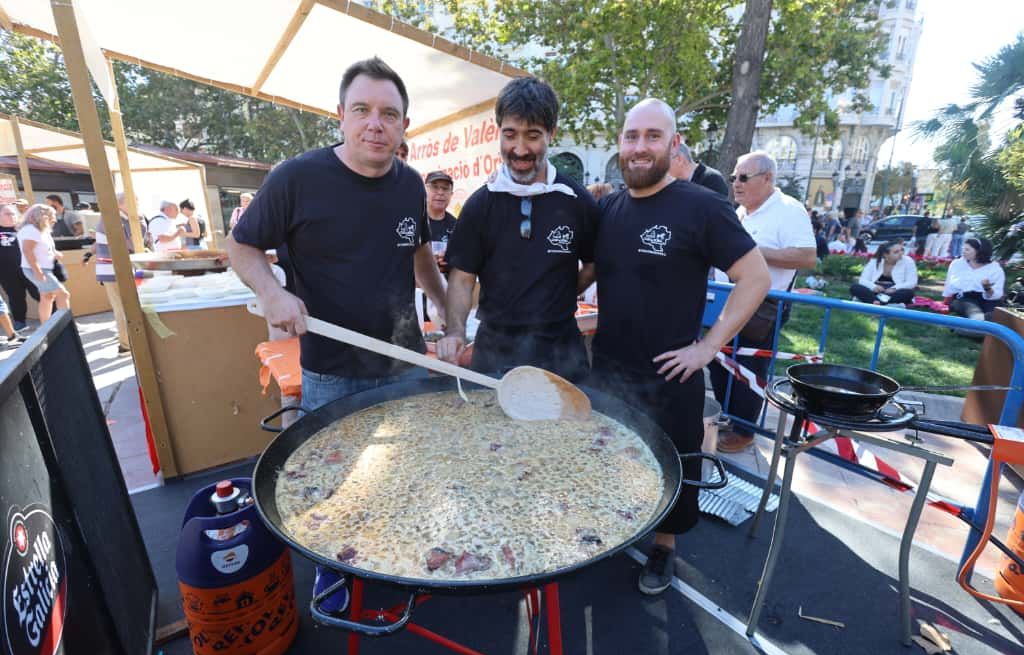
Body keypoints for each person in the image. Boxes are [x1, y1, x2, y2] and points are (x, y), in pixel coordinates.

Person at [226, 57, 447, 616]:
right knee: (332, 481)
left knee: (403, 469)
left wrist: (450, 314)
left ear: (403, 125)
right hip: (329, 368)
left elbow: (421, 258)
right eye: (363, 111)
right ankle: (333, 567)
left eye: (389, 114)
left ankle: (398, 554)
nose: (376, 124)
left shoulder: (410, 186)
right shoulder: (297, 178)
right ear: (341, 116)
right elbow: (241, 247)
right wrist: (273, 290)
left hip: (402, 361)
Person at [583, 98, 769, 594]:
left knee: (676, 467)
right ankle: (617, 528)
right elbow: (587, 274)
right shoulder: (609, 209)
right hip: (609, 370)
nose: (640, 147)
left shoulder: (701, 205)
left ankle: (664, 549)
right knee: (610, 459)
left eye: (652, 136)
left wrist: (707, 347)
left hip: (672, 374)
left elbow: (755, 277)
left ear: (673, 144)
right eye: (631, 136)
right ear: (620, 145)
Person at [437, 77, 598, 383]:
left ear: (552, 133)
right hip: (495, 349)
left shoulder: (577, 201)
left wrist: (558, 295)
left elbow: (592, 266)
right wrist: (456, 330)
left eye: (533, 135)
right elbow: (461, 278)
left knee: (569, 431)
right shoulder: (480, 205)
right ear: (499, 131)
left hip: (560, 349)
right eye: (510, 134)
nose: (520, 149)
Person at [710, 150, 816, 454]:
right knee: (722, 363)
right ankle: (730, 419)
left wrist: (751, 252)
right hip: (727, 299)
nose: (736, 184)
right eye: (733, 178)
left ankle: (745, 431)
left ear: (767, 179)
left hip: (764, 306)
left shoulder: (788, 209)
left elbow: (807, 257)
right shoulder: (742, 212)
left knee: (750, 366)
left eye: (744, 177)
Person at [90, 192, 134, 354]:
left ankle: (126, 341)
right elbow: (131, 243)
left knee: (122, 307)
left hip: (113, 269)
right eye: (134, 201)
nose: (137, 205)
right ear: (123, 203)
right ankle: (126, 344)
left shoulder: (113, 218)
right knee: (123, 308)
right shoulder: (115, 219)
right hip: (115, 269)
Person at [18, 203, 70, 324]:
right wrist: (37, 271)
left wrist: (55, 253)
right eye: (52, 215)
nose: (55, 219)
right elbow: (27, 251)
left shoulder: (40, 230)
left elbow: (41, 248)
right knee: (63, 295)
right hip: (37, 269)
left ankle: (46, 328)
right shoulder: (31, 230)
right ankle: (66, 326)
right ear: (42, 216)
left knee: (47, 297)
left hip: (41, 268)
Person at [943, 237, 1004, 321]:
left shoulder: (995, 268)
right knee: (975, 313)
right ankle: (979, 323)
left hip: (987, 300)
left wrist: (987, 288)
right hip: (964, 298)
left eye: (967, 249)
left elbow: (997, 294)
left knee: (995, 316)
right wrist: (946, 299)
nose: (963, 252)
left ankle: (973, 327)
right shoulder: (957, 263)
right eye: (963, 249)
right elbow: (949, 283)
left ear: (979, 251)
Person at [0, 203, 38, 331]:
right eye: (7, 214)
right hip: (6, 272)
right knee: (15, 297)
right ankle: (20, 322)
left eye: (13, 213)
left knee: (41, 293)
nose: (11, 216)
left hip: (29, 268)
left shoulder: (25, 229)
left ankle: (58, 319)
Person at [850, 240, 917, 305]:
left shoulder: (908, 261)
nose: (901, 253)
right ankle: (880, 301)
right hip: (876, 290)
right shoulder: (874, 261)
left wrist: (894, 288)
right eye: (896, 252)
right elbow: (862, 280)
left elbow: (912, 282)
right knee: (855, 287)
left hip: (894, 291)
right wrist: (873, 287)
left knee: (908, 293)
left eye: (902, 250)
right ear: (886, 255)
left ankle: (875, 301)